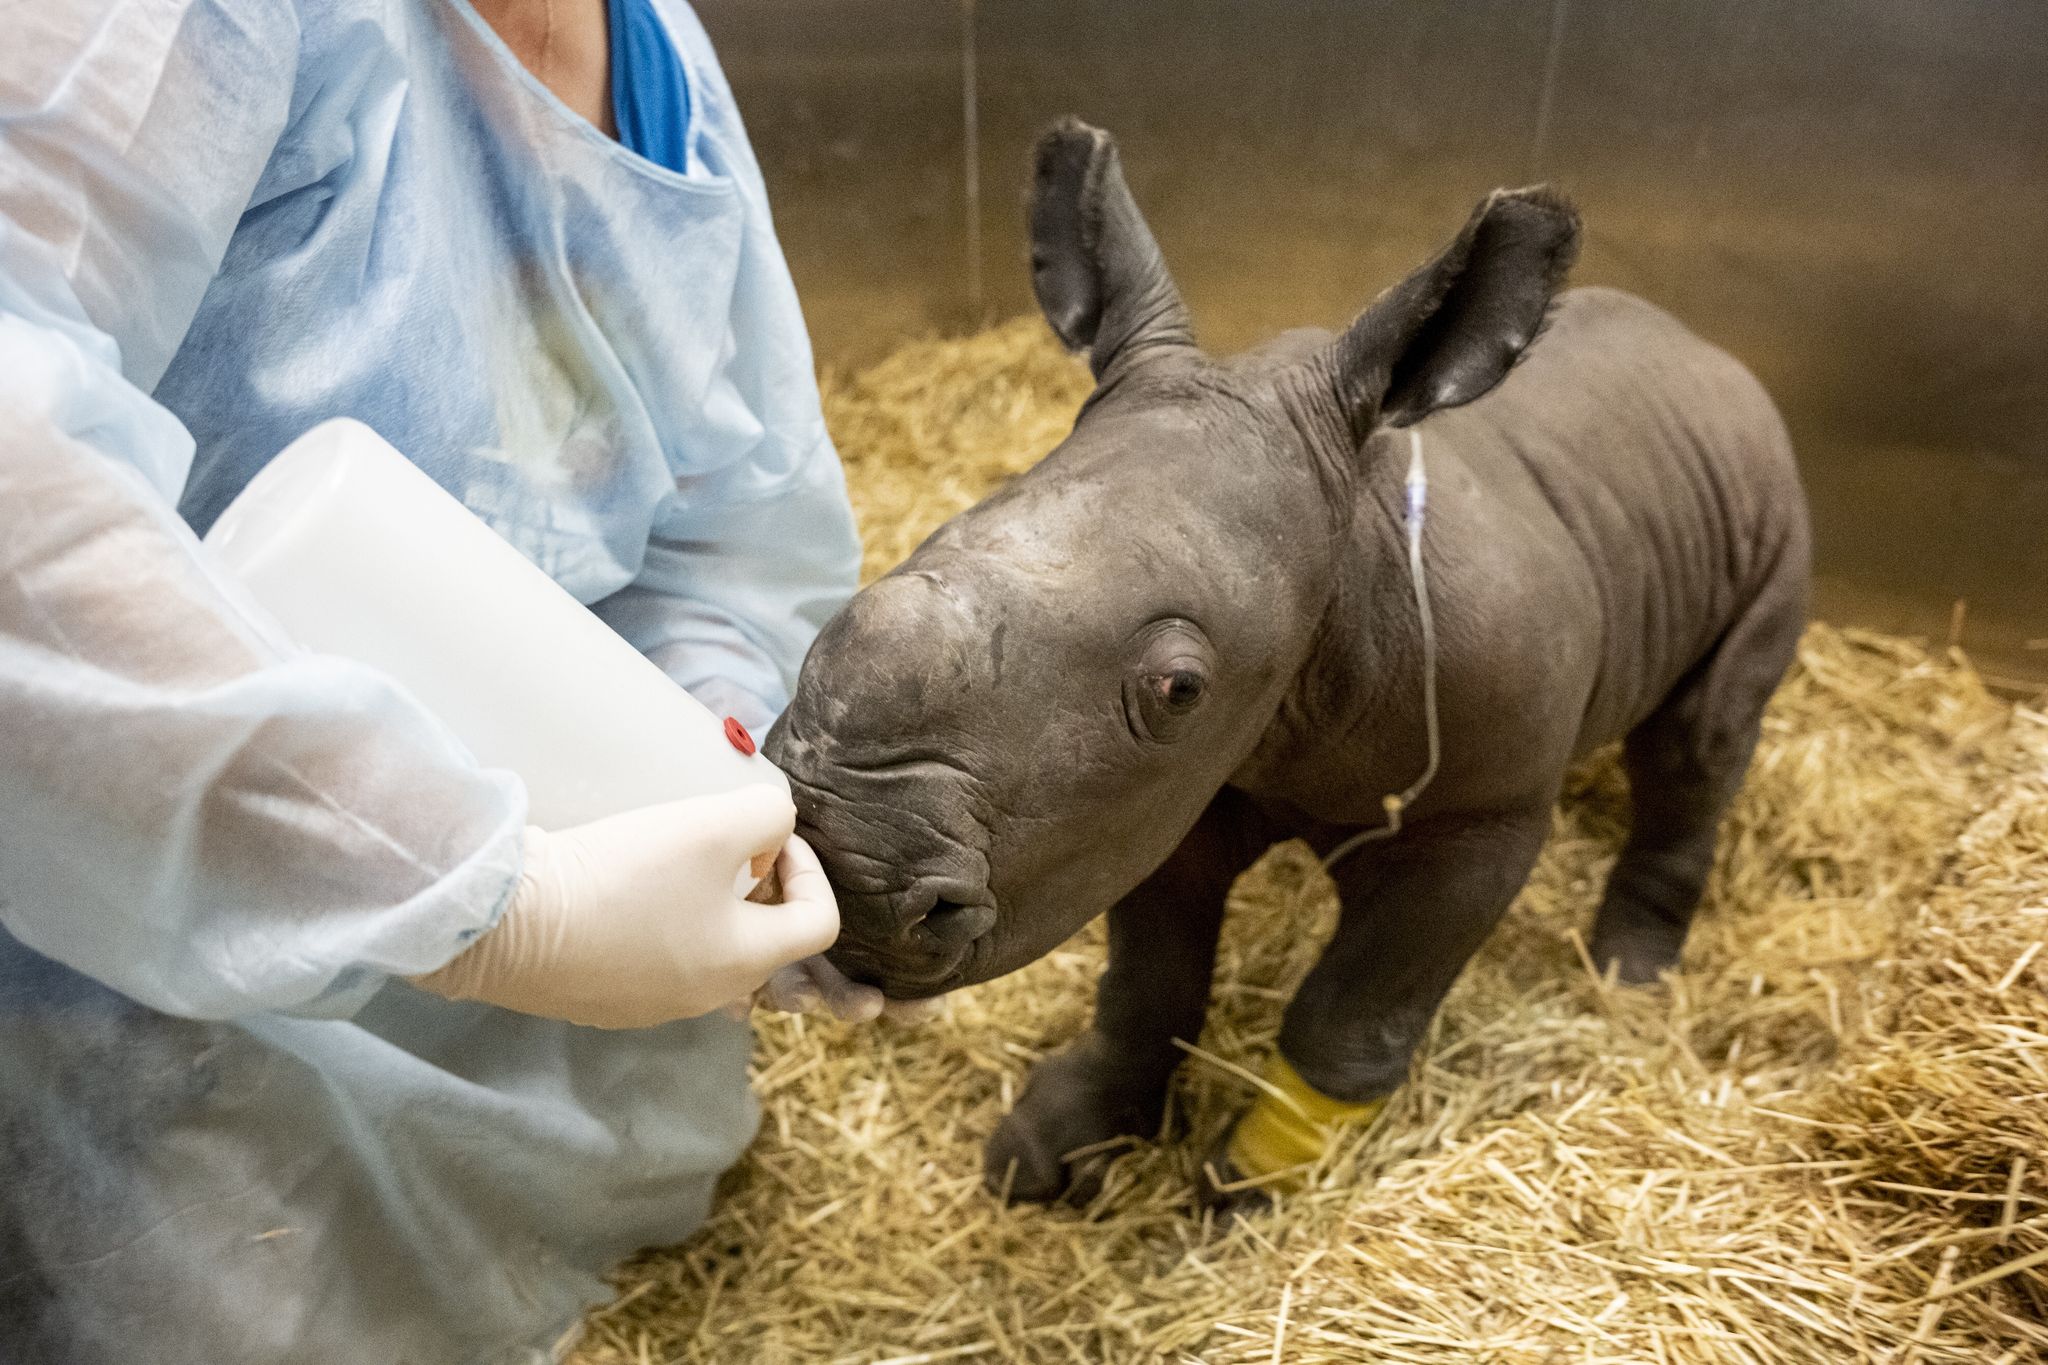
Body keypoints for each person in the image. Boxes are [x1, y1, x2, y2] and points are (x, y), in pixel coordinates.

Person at [0, 0, 893, 1359]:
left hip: (570, 1083)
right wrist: (491, 907)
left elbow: (734, 518)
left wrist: (705, 765)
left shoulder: (662, 64)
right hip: (129, 1022)